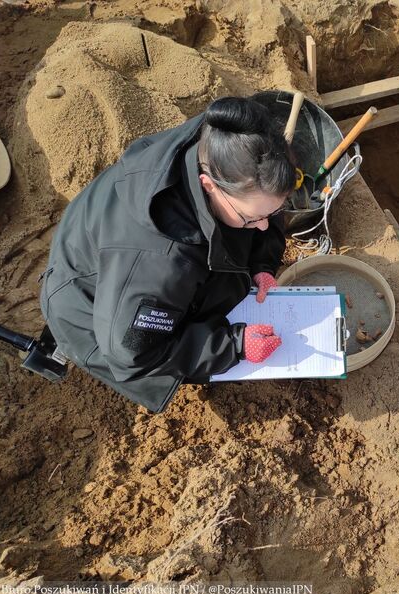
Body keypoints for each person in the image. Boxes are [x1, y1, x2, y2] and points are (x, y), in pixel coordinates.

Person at [40, 95, 296, 413]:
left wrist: (262, 263)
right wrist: (233, 345)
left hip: (124, 260)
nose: (264, 225)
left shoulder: (229, 139)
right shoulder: (159, 262)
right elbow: (132, 354)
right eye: (252, 219)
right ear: (209, 186)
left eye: (272, 213)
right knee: (164, 344)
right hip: (92, 311)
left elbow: (261, 210)